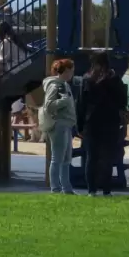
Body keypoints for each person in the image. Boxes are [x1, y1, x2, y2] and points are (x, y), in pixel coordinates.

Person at [77, 52, 127, 196]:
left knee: (91, 157)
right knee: (107, 157)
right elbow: (122, 102)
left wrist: (79, 125)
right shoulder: (114, 78)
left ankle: (91, 190)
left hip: (91, 121)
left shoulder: (87, 79)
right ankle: (106, 190)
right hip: (110, 121)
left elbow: (81, 103)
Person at [41, 58, 76, 195]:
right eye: (70, 70)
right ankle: (55, 188)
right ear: (65, 71)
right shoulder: (55, 85)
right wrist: (64, 101)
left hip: (67, 124)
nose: (72, 73)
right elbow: (49, 105)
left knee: (66, 158)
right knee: (57, 158)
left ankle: (66, 188)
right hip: (59, 124)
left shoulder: (64, 84)